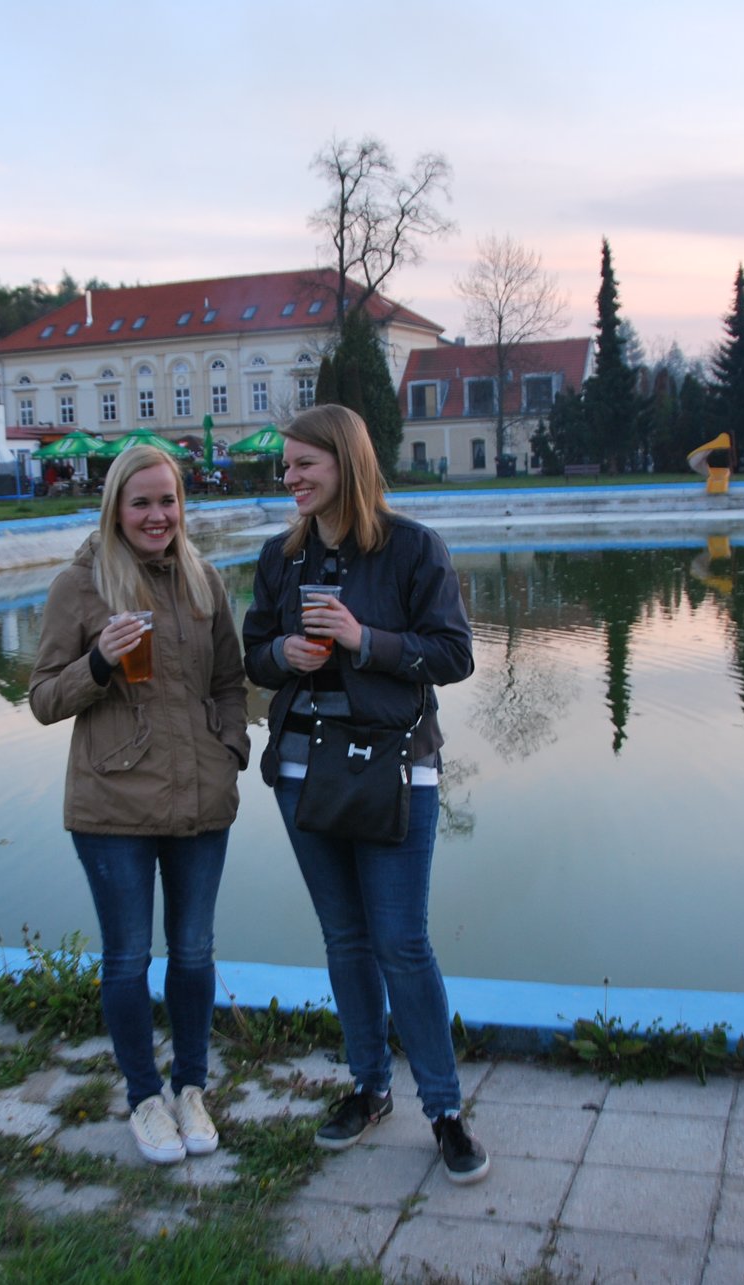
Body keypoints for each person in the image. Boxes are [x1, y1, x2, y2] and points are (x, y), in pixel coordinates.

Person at [240, 404, 489, 1185]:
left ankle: (444, 1110)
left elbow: (454, 654)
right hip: (302, 768)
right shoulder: (281, 557)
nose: (289, 477)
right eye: (286, 466)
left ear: (345, 463)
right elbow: (253, 653)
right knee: (344, 939)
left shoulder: (413, 547)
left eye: (303, 464)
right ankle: (370, 1087)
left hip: (393, 767)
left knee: (402, 941)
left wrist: (363, 640)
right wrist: (284, 652)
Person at [28, 444, 250, 1166]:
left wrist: (231, 748)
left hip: (199, 798)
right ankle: (144, 1098)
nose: (158, 516)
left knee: (194, 951)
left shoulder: (203, 580)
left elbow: (230, 683)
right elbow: (43, 698)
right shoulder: (80, 586)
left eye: (168, 500)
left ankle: (191, 1087)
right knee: (127, 958)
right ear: (116, 508)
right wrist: (98, 662)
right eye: (142, 502)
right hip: (112, 805)